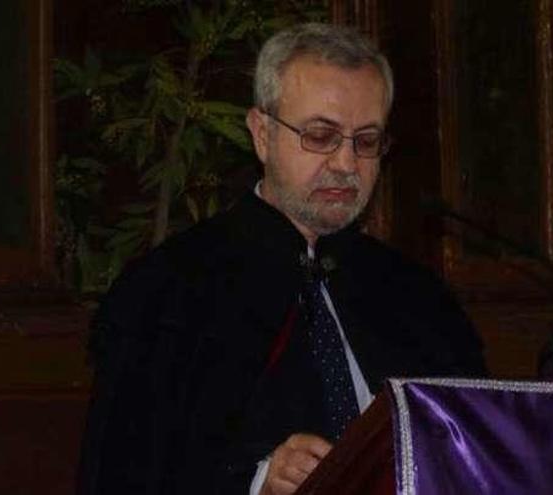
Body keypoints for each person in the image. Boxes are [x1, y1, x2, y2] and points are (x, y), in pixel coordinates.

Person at [77, 23, 487, 495]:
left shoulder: (416, 295)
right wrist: (258, 481)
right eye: (320, 135)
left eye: (367, 141)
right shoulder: (170, 290)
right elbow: (127, 474)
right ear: (262, 133)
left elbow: (476, 452)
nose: (346, 163)